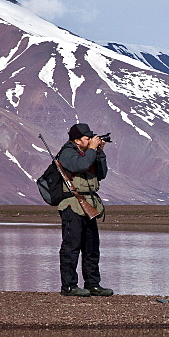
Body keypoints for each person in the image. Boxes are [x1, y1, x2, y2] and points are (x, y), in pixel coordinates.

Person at [58, 123, 114, 297]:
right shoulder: (67, 153)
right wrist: (91, 150)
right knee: (71, 247)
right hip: (72, 205)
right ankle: (69, 286)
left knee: (91, 247)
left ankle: (92, 284)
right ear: (76, 140)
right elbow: (80, 166)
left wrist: (100, 153)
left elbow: (102, 174)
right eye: (87, 137)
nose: (91, 140)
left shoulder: (88, 152)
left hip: (89, 205)